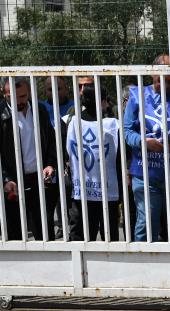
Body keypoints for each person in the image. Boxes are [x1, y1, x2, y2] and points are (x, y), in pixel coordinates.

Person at [123, 54, 170, 242]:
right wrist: (144, 142)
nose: (164, 86)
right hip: (145, 171)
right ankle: (142, 265)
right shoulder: (137, 96)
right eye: (159, 81)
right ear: (152, 74)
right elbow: (126, 131)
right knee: (146, 223)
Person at [1, 77, 59, 241]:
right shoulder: (2, 115)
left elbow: (51, 140)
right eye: (13, 97)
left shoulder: (39, 110)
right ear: (4, 94)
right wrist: (6, 179)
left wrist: (50, 164)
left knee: (45, 232)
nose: (20, 101)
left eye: (23, 96)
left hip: (38, 179)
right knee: (15, 235)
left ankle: (51, 265)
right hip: (13, 182)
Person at [66, 84, 121, 241]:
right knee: (109, 241)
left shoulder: (73, 124)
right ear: (103, 101)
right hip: (107, 190)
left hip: (81, 190)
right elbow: (119, 159)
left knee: (80, 239)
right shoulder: (113, 125)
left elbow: (68, 153)